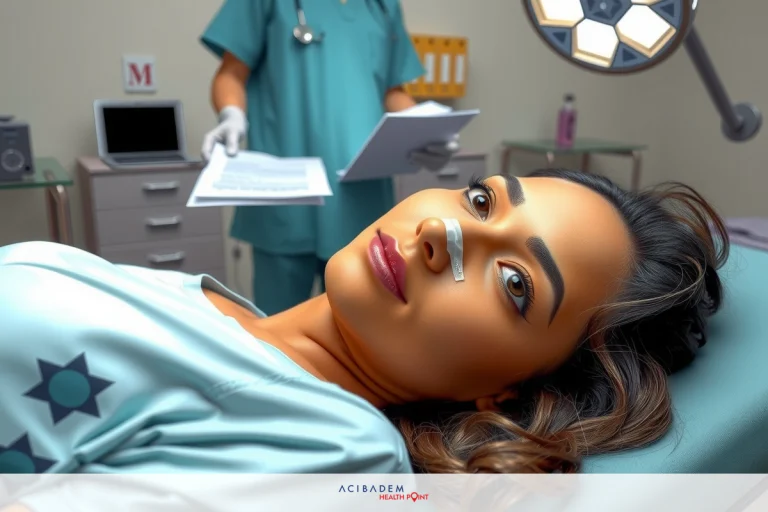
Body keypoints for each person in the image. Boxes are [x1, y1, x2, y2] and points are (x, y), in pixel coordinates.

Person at [0, 170, 728, 507]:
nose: (443, 231)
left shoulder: (338, 453)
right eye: (481, 199)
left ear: (507, 389)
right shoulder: (203, 303)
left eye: (515, 284)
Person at [199, 0, 459, 315]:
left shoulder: (382, 6)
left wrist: (424, 128)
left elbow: (392, 90)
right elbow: (231, 73)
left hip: (361, 197)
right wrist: (231, 114)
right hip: (287, 195)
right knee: (276, 325)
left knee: (361, 325)